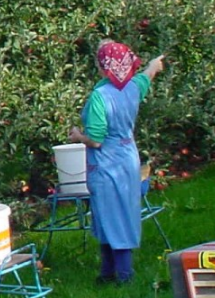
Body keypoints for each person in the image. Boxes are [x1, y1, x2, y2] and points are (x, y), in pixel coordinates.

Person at [68, 40, 165, 285]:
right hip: (127, 158)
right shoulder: (133, 87)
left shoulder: (100, 96)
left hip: (106, 162)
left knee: (109, 215)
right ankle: (107, 272)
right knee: (120, 213)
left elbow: (96, 140)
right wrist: (155, 64)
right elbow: (148, 75)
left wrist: (78, 136)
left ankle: (122, 274)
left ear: (102, 69)